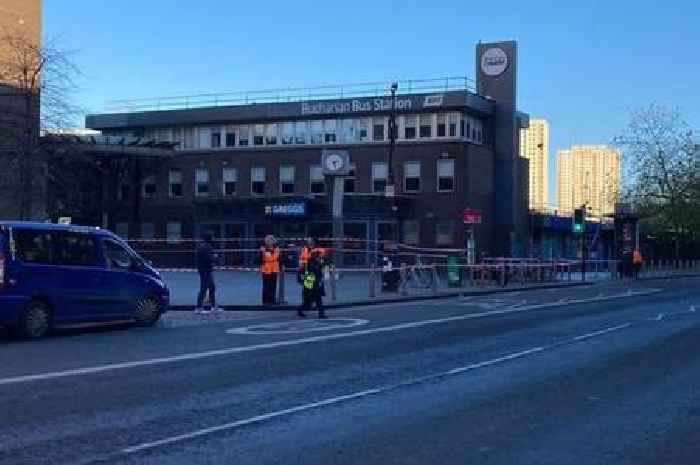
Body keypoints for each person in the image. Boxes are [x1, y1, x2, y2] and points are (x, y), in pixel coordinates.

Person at [195, 232, 221, 313]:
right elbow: (209, 259)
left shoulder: (201, 246)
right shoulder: (207, 247)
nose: (213, 238)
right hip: (206, 270)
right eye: (212, 237)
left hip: (203, 269)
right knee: (204, 288)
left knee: (211, 287)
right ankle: (199, 308)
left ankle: (213, 306)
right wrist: (216, 257)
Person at [297, 250, 326, 319]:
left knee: (316, 299)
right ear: (316, 256)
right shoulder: (311, 263)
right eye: (320, 256)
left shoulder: (317, 263)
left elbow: (319, 274)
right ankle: (300, 310)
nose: (321, 258)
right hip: (310, 282)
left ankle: (321, 314)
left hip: (312, 283)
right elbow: (314, 273)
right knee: (310, 300)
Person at [260, 234, 280, 306]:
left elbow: (277, 258)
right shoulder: (263, 249)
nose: (269, 242)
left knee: (273, 286)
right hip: (266, 270)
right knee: (266, 286)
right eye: (267, 240)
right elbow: (265, 258)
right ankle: (265, 301)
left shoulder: (276, 248)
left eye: (270, 240)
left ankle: (272, 300)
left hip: (274, 270)